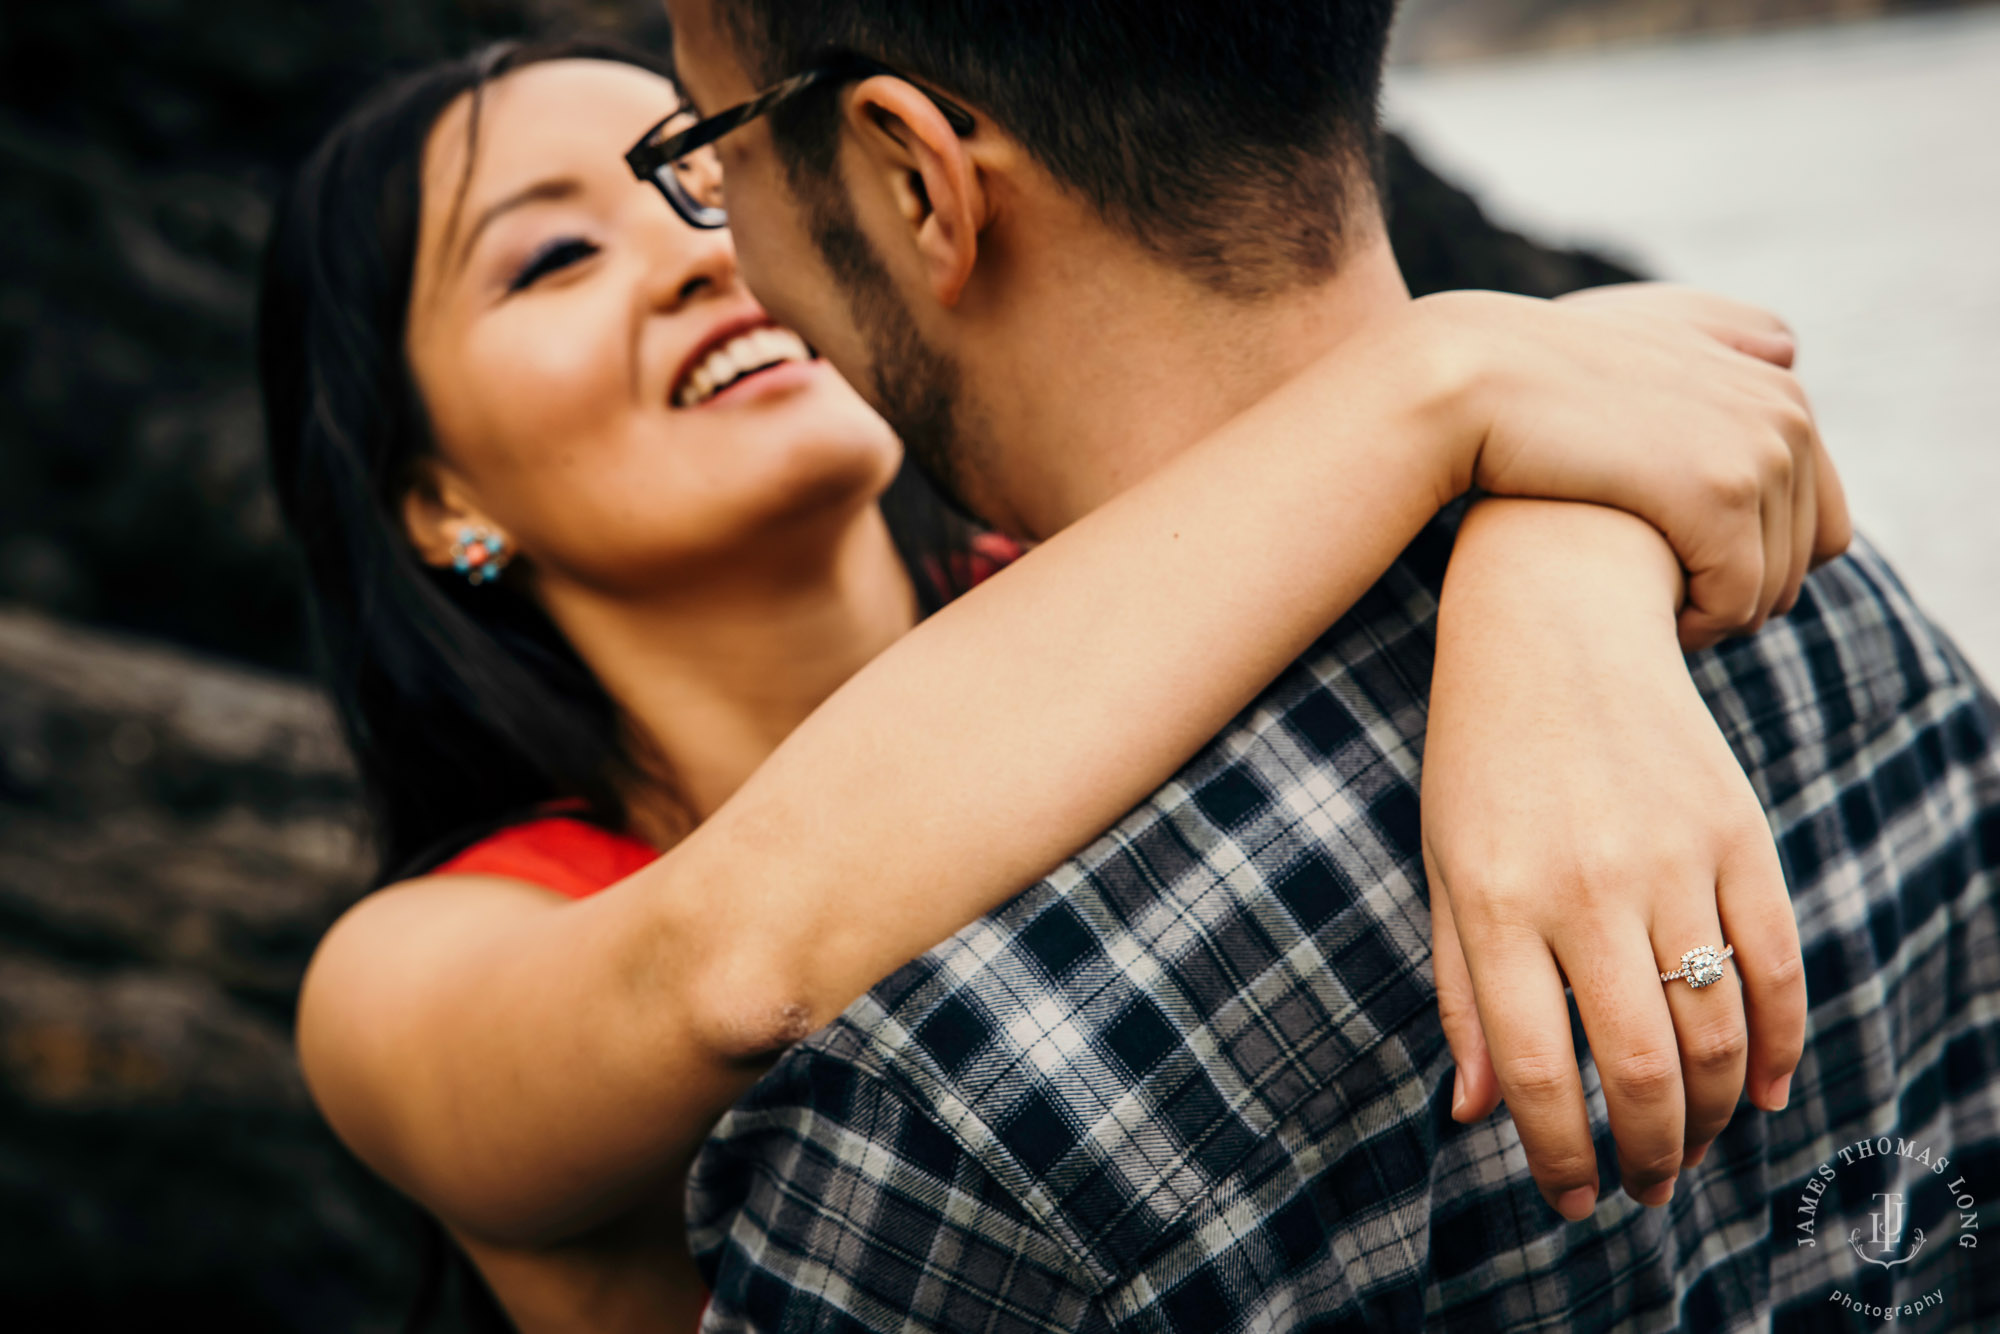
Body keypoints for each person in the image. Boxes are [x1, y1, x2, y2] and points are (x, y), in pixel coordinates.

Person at [269, 37, 1841, 1334]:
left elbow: (1649, 392)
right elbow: (735, 957)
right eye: (550, 255)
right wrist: (1453, 383)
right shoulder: (402, 978)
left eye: (695, 181)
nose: (698, 261)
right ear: (436, 502)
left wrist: (1550, 582)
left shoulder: (1153, 582)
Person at [660, 2, 2000, 1330]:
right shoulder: (1828, 593)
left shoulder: (952, 1112)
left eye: (721, 156)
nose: (727, 253)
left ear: (915, 178)